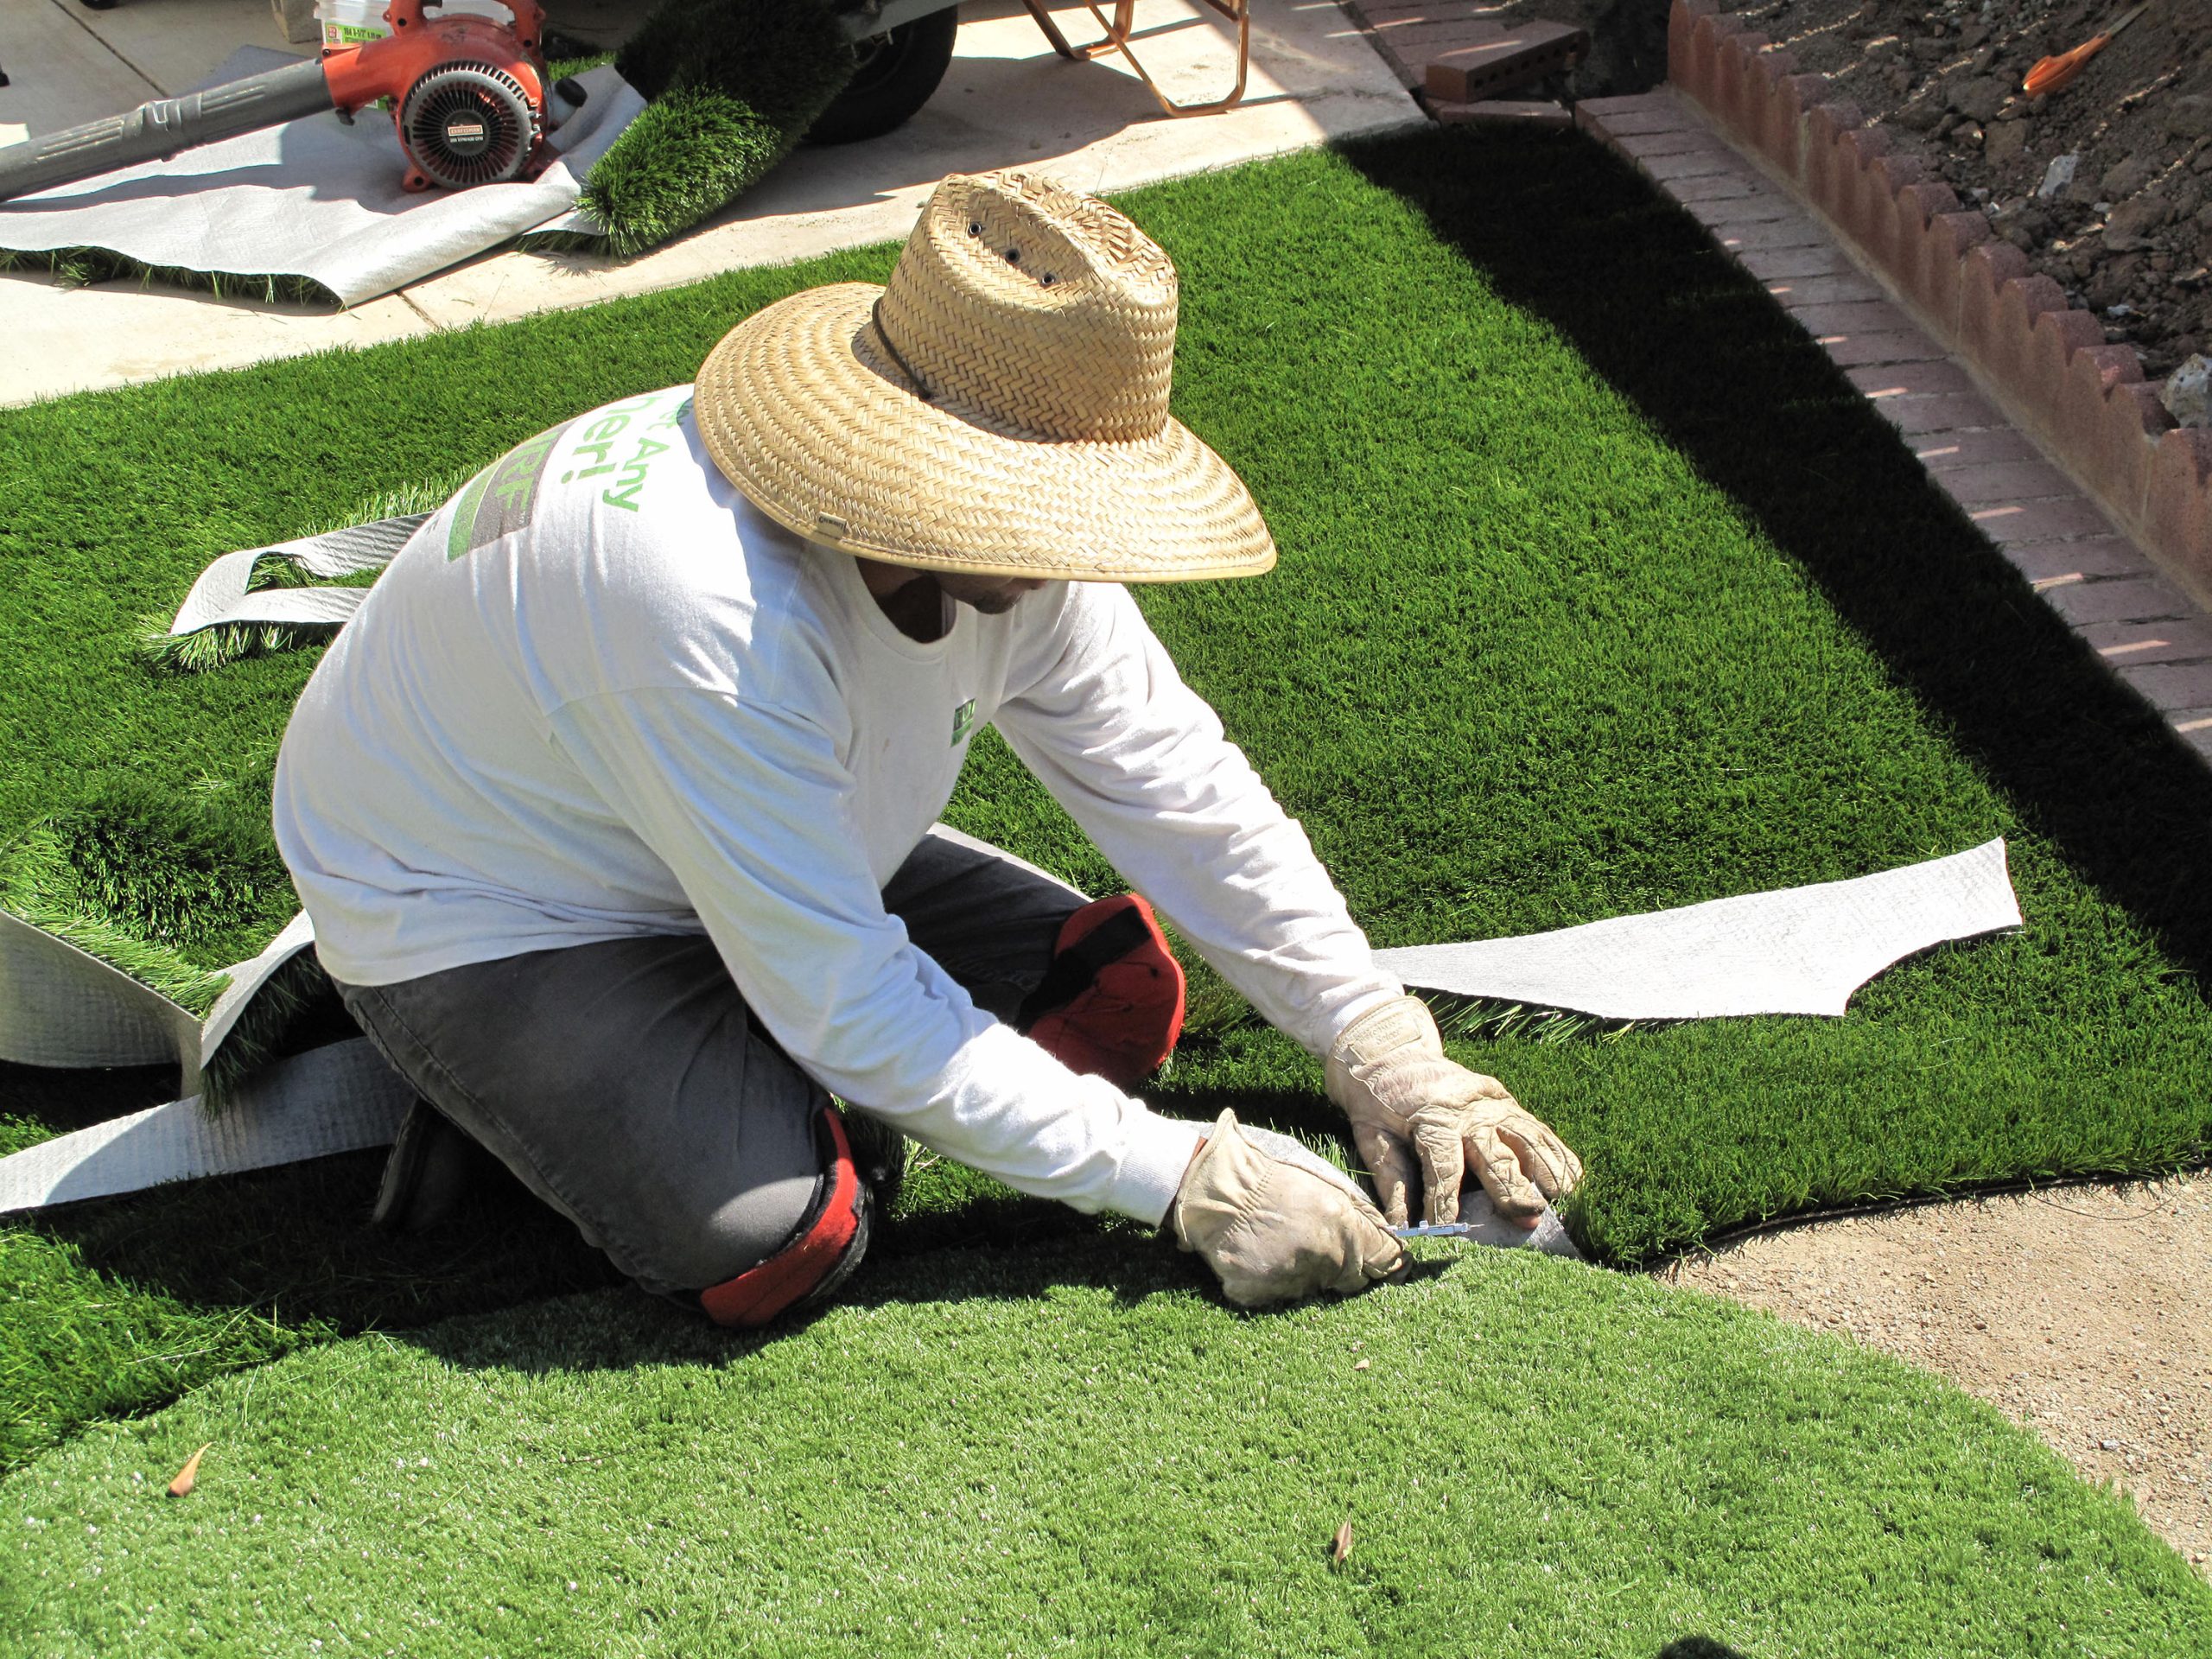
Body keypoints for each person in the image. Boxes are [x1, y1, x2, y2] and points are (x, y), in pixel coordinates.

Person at [271, 169, 1583, 1324]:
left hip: (680, 804)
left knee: (1112, 1000)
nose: (1061, 547)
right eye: (1027, 505)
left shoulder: (1019, 556)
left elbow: (1176, 783)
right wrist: (1185, 1182)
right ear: (905, 458)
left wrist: (1382, 1045)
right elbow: (849, 1007)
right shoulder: (707, 613)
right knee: (776, 1242)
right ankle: (487, 1087)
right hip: (481, 907)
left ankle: (702, 1032)